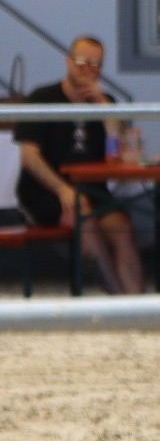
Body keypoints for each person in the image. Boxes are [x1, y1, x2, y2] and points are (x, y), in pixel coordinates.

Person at [14, 37, 144, 294]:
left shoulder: (105, 102)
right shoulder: (42, 98)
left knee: (120, 226)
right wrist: (62, 189)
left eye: (96, 64)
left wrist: (104, 108)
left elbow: (117, 153)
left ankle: (139, 304)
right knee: (82, 219)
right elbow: (28, 156)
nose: (88, 69)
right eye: (82, 62)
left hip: (94, 190)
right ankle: (119, 301)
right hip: (46, 191)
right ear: (68, 62)